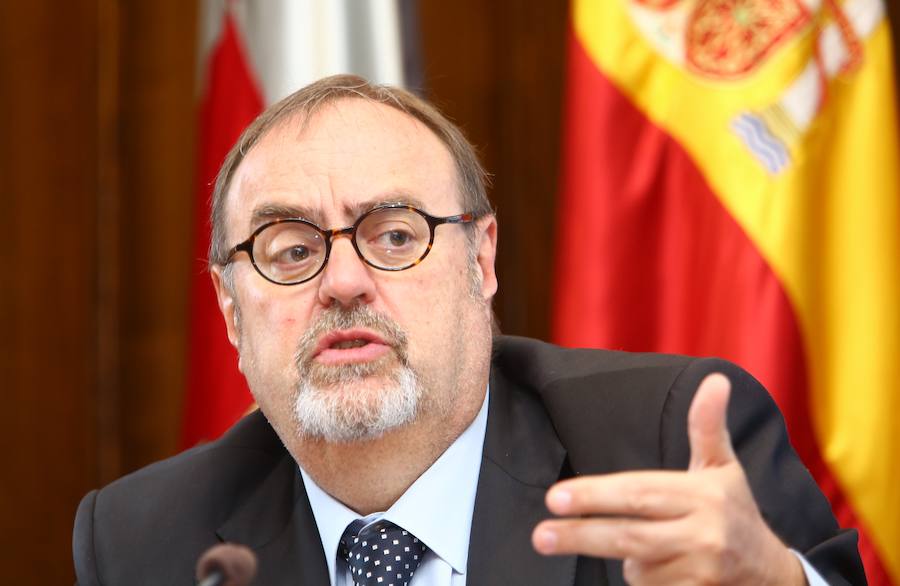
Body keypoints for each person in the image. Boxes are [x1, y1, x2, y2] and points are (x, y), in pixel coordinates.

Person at [73, 75, 864, 585]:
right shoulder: (143, 542)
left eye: (393, 234)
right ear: (229, 311)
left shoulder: (661, 447)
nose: (343, 283)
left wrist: (777, 583)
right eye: (292, 251)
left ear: (480, 262)